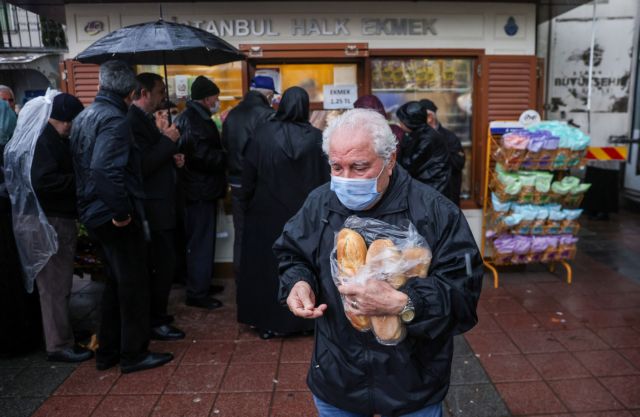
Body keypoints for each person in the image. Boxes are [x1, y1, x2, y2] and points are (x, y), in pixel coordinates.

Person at [273, 109, 482, 417]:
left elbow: (463, 297)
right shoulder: (320, 202)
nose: (345, 179)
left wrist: (404, 302)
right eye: (336, 167)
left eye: (359, 167)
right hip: (338, 379)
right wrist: (297, 283)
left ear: (390, 159)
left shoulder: (435, 211)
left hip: (413, 384)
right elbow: (292, 254)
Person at [70, 60, 173, 374]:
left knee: (115, 286)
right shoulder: (116, 119)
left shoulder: (86, 115)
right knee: (133, 286)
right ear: (131, 91)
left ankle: (109, 352)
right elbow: (104, 169)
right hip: (112, 214)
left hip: (92, 211)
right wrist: (121, 213)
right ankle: (133, 354)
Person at [237, 86, 328, 339]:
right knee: (303, 265)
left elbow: (248, 178)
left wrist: (244, 204)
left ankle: (267, 322)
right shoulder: (317, 138)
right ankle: (306, 318)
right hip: (304, 217)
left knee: (265, 268)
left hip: (265, 213)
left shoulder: (262, 135)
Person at [29, 93, 92, 362]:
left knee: (59, 283)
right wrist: (79, 180)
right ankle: (58, 344)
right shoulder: (46, 141)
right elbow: (44, 181)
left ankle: (62, 335)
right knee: (55, 285)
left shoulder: (49, 138)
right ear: (67, 122)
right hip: (52, 220)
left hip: (54, 218)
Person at [128, 73, 185, 341]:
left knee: (166, 262)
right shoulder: (133, 121)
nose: (163, 97)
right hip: (153, 206)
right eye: (160, 91)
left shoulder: (146, 121)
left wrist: (170, 155)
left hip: (162, 203)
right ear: (144, 92)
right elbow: (141, 165)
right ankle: (156, 320)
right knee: (161, 264)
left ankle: (159, 315)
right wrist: (167, 141)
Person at [175, 75, 227, 310]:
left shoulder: (196, 117)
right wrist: (227, 156)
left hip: (200, 188)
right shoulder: (195, 120)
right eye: (216, 96)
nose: (218, 100)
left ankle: (201, 282)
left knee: (202, 240)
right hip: (199, 190)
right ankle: (197, 291)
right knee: (201, 242)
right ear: (207, 98)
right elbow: (201, 156)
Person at [221, 75, 275, 280]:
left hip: (235, 182)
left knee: (241, 231)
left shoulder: (232, 114)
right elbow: (270, 151)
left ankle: (241, 274)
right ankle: (261, 275)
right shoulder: (267, 115)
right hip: (260, 182)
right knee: (264, 229)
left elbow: (225, 146)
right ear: (268, 95)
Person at [396, 101, 452, 200]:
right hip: (426, 184)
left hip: (434, 186)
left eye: (401, 121)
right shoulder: (417, 133)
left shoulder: (427, 138)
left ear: (410, 123)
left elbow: (408, 164)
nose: (399, 124)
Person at [421, 99, 465, 206]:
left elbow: (459, 162)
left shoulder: (449, 137)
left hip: (447, 193)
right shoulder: (418, 137)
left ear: (430, 118)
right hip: (423, 194)